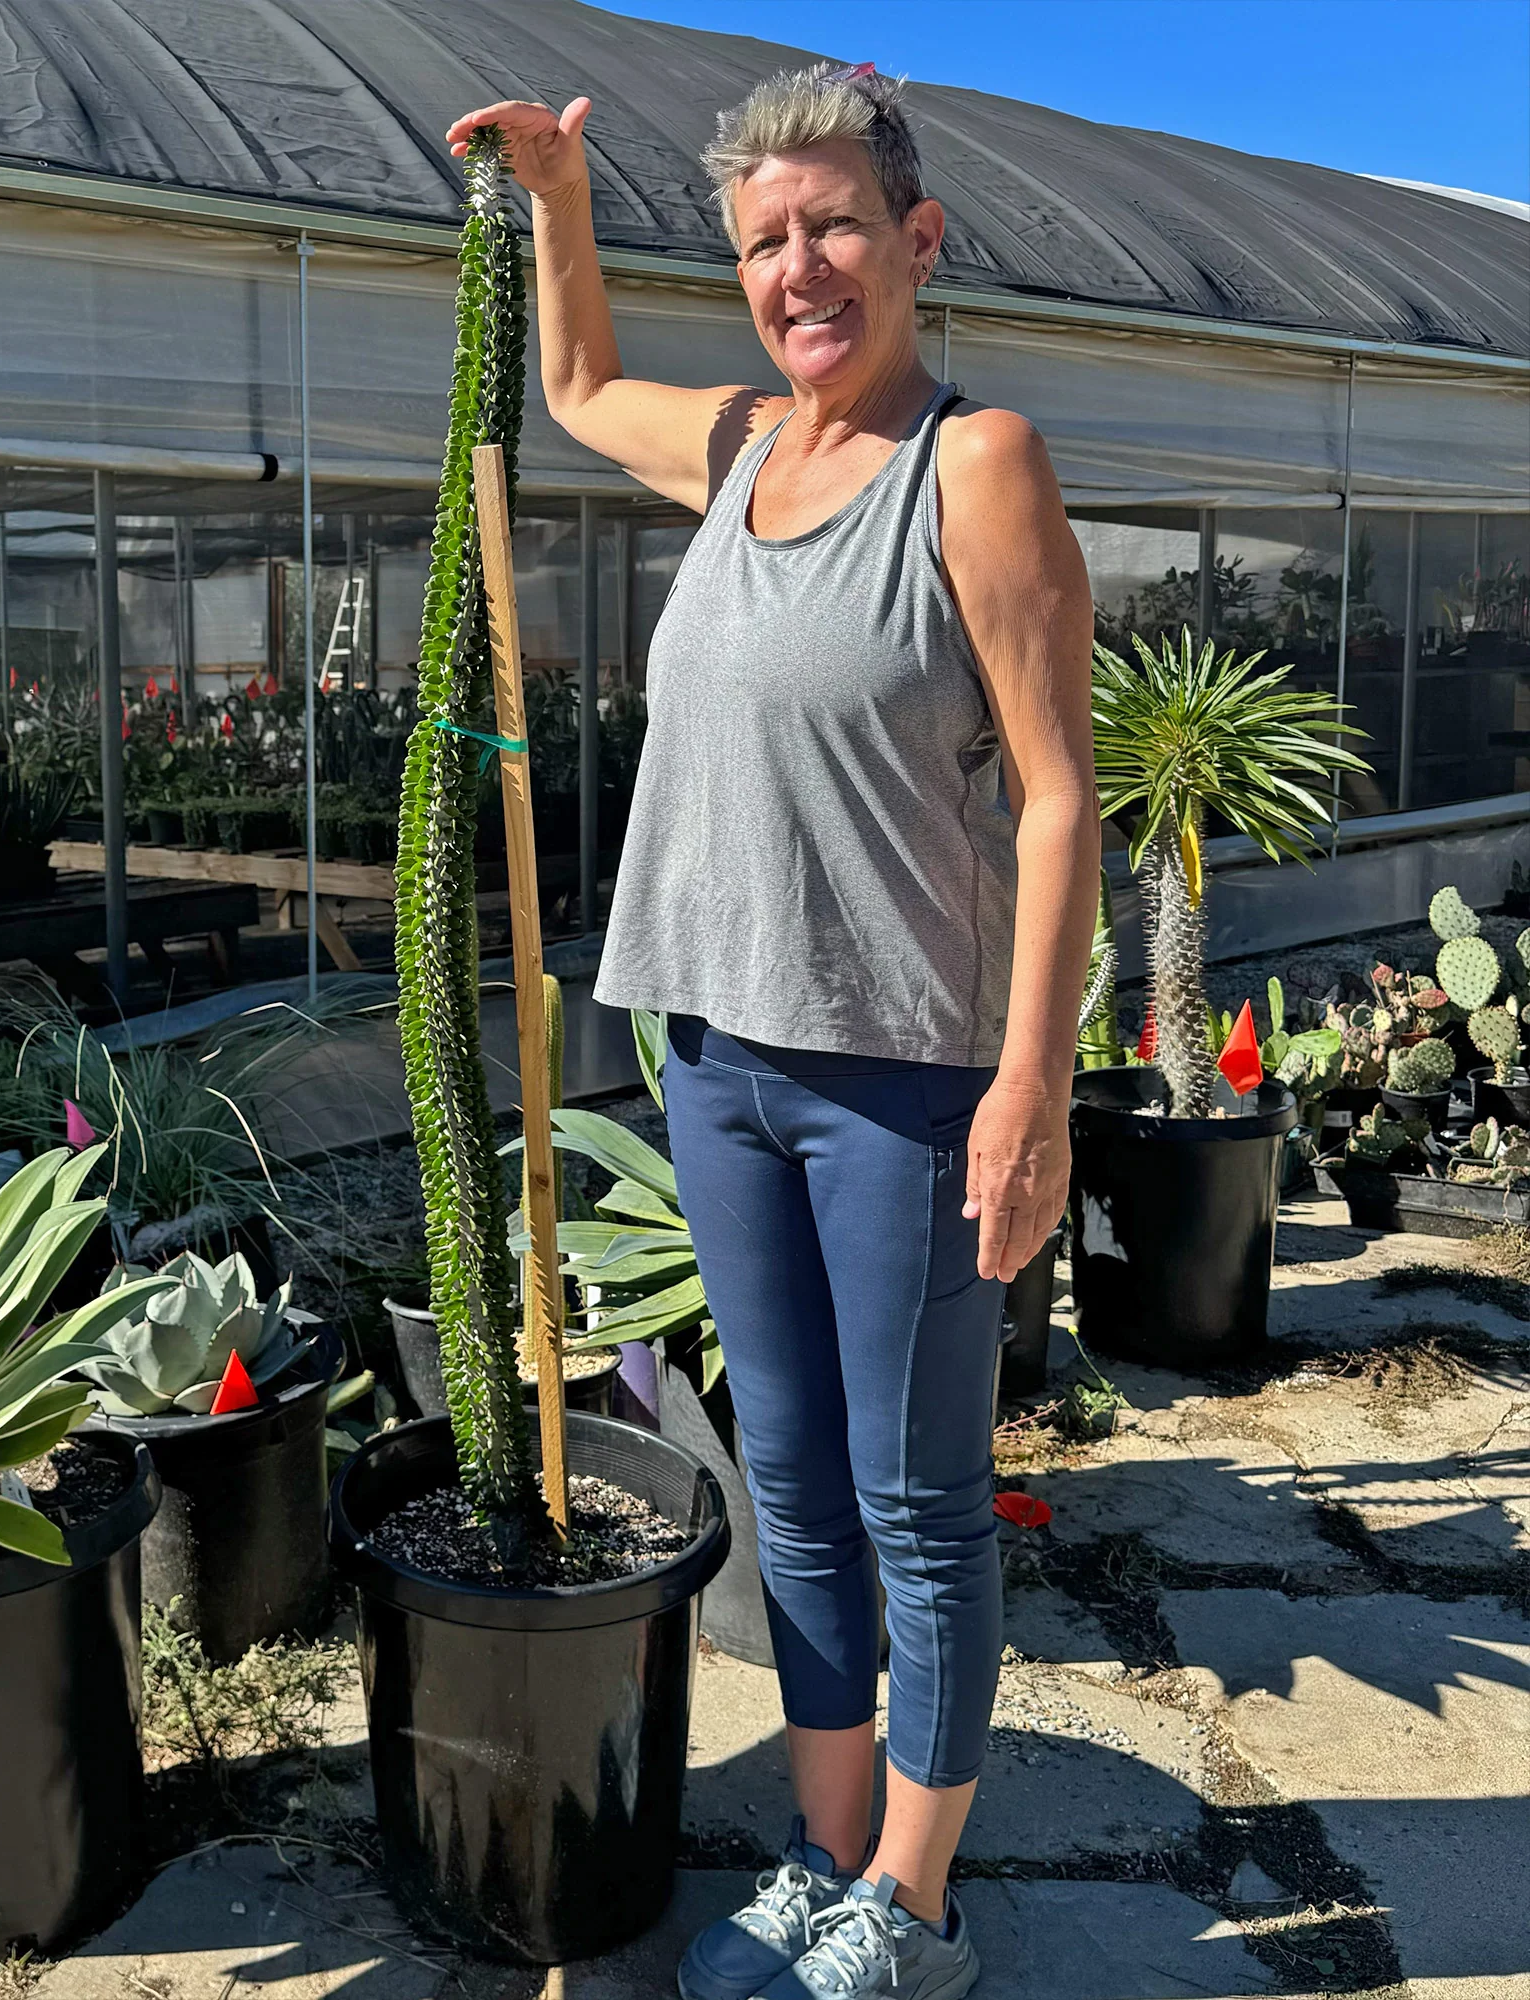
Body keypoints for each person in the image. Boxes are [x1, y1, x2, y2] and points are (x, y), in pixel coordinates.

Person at [447, 61, 1098, 2000]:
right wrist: (562, 199)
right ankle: (827, 1854)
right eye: (758, 239)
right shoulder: (739, 440)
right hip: (719, 1058)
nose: (794, 267)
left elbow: (1059, 795)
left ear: (913, 240)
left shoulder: (973, 466)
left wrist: (1031, 1092)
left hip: (904, 1076)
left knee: (917, 1498)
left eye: (828, 226)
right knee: (792, 1481)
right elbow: (568, 392)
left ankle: (917, 1903)